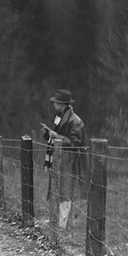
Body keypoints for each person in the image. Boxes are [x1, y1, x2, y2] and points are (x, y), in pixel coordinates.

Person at [41, 89, 86, 229]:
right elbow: (58, 137)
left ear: (62, 104)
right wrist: (47, 134)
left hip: (68, 161)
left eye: (56, 102)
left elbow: (75, 143)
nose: (54, 104)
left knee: (65, 191)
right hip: (59, 159)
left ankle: (62, 225)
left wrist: (55, 136)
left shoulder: (75, 121)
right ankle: (59, 222)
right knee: (57, 189)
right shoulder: (60, 116)